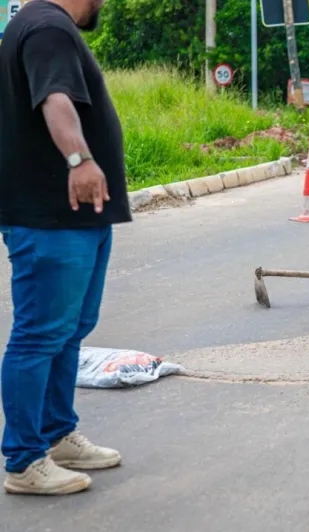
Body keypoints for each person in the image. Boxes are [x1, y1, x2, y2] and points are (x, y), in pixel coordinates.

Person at [0, 0, 132, 495]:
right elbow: (54, 97)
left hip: (73, 217)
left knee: (69, 330)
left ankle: (56, 434)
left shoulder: (37, 25)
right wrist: (79, 159)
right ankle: (24, 459)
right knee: (38, 335)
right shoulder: (48, 27)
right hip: (52, 217)